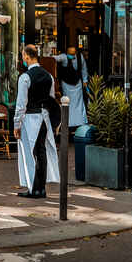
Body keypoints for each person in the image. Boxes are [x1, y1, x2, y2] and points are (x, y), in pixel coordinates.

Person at [14, 44, 59, 199]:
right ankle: (41, 188)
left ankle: (34, 189)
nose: (22, 59)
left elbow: (21, 104)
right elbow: (51, 100)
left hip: (30, 118)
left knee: (30, 153)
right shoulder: (49, 76)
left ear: (27, 56)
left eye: (23, 56)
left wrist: (16, 124)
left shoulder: (24, 77)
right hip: (44, 117)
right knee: (41, 152)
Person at [54, 45, 89, 128]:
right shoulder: (63, 57)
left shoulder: (80, 57)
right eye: (70, 54)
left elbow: (84, 69)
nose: (72, 55)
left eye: (73, 54)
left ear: (76, 53)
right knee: (68, 103)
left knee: (79, 104)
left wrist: (85, 80)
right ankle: (68, 123)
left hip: (78, 84)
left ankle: (80, 122)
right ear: (67, 53)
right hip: (66, 84)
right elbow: (54, 58)